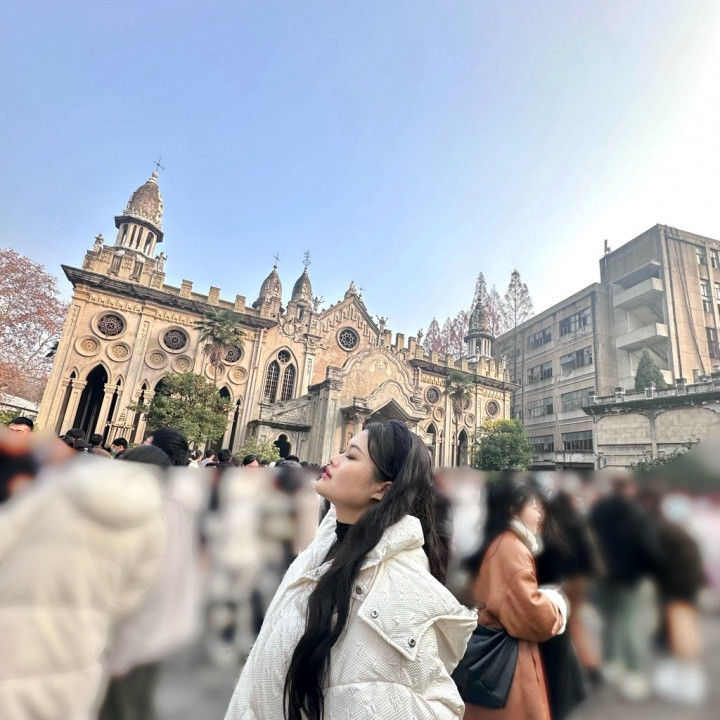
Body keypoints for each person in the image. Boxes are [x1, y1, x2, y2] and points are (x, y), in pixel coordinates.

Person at [224, 420, 477, 720]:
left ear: (383, 489)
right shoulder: (323, 549)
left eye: (351, 456)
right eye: (343, 450)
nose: (334, 459)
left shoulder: (394, 594)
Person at [0, 431, 165, 720]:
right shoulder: (154, 526)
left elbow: (6, 535)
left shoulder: (61, 484)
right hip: (81, 639)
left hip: (17, 618)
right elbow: (126, 601)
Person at [99, 444, 204, 720]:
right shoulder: (170, 512)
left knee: (123, 705)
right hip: (147, 636)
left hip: (132, 637)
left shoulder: (157, 518)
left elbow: (146, 588)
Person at [464, 476, 567, 720]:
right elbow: (531, 615)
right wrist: (556, 605)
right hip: (509, 669)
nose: (540, 513)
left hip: (496, 660)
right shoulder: (512, 548)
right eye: (533, 506)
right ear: (514, 510)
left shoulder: (500, 542)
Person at [588, 474, 663, 700]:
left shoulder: (599, 510)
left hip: (603, 574)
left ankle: (611, 664)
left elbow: (589, 539)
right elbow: (647, 546)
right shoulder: (635, 512)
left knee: (610, 619)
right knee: (630, 621)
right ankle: (634, 672)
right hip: (629, 576)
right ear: (629, 488)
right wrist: (652, 570)